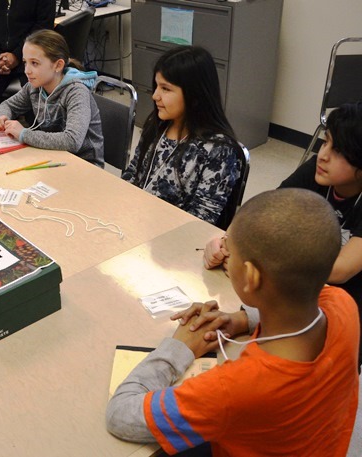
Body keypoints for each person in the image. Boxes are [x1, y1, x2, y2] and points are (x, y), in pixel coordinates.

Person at [106, 188, 359, 456]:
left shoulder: (233, 389)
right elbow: (304, 299)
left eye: (229, 248)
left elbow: (120, 415)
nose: (224, 251)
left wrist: (180, 347)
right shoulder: (344, 305)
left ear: (250, 276)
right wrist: (240, 319)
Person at [203, 102, 362, 367]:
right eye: (325, 142)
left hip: (346, 312)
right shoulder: (317, 169)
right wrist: (227, 241)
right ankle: (248, 319)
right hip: (301, 297)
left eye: (339, 151)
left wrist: (258, 257)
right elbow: (262, 210)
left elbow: (340, 269)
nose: (323, 155)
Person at [122, 46, 242, 225]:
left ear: (195, 96)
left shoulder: (218, 149)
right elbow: (133, 174)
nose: (155, 96)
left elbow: (202, 219)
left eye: (166, 89)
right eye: (156, 86)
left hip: (172, 238)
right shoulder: (157, 126)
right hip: (137, 221)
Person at [0, 29, 104, 167]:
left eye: (34, 63)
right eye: (25, 62)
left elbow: (72, 141)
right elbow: (7, 105)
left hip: (85, 165)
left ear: (58, 65)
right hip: (52, 157)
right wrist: (2, 117)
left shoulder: (76, 92)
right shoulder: (34, 87)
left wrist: (24, 134)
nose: (27, 70)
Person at [0, 0, 55, 114]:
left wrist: (17, 55)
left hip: (32, 54)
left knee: (35, 103)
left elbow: (43, 26)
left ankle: (31, 131)